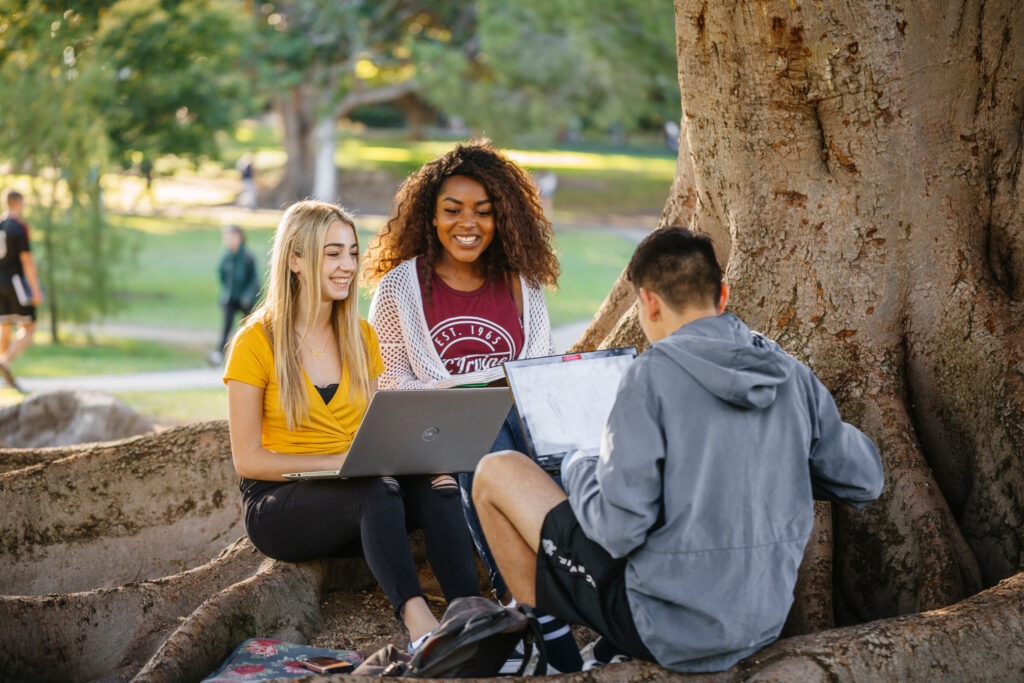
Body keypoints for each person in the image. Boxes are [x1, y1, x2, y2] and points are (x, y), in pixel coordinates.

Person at [472, 226, 885, 673]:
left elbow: (618, 529)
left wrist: (582, 464)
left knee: (496, 472)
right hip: (760, 621)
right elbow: (864, 478)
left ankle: (553, 657)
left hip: (667, 627)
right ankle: (608, 649)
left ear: (648, 302)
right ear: (722, 296)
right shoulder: (789, 373)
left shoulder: (649, 379)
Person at [363, 140, 582, 672]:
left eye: (484, 212)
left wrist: (492, 394)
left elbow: (538, 376)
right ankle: (529, 608)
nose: (470, 223)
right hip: (441, 436)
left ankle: (564, 598)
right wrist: (467, 395)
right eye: (453, 210)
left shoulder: (522, 284)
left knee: (532, 436)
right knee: (481, 433)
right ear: (431, 217)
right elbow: (385, 381)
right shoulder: (401, 288)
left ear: (502, 217)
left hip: (518, 429)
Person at [223, 200, 480, 650]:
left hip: (362, 493)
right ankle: (420, 626)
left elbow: (375, 430)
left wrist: (414, 452)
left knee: (437, 482)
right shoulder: (254, 342)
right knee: (374, 488)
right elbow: (248, 460)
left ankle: (472, 614)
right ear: (296, 260)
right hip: (281, 505)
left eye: (352, 252)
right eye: (332, 253)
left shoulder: (362, 336)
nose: (347, 266)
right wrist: (338, 464)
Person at [0, 190, 44, 392]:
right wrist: (35, 290)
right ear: (18, 203)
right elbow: (27, 261)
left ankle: (5, 374)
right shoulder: (19, 229)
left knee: (5, 325)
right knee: (29, 326)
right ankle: (5, 362)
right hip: (15, 282)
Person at [210, 224, 261, 365]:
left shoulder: (247, 257)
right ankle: (219, 354)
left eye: (232, 237)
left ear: (240, 238)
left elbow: (254, 280)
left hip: (245, 299)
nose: (229, 240)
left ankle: (249, 355)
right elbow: (223, 276)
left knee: (247, 328)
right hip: (231, 298)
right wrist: (225, 295)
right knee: (226, 326)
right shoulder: (227, 257)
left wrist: (248, 297)